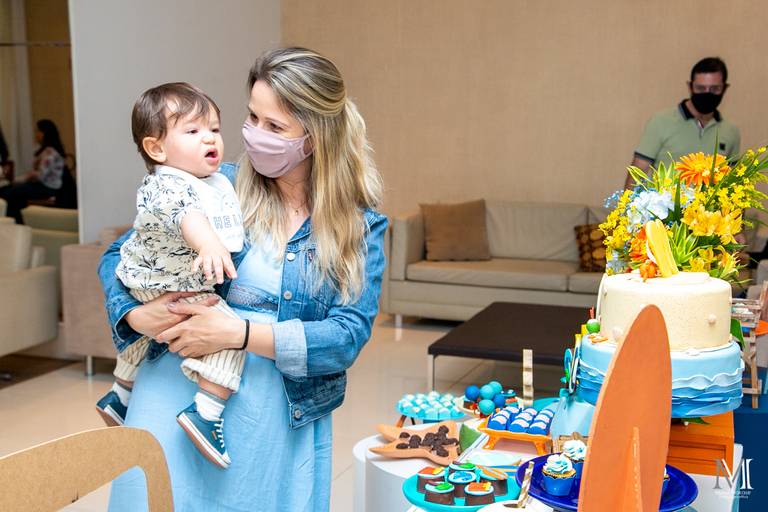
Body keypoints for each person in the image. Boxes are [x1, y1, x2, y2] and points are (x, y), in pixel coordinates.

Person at [98, 47, 386, 511]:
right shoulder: (214, 186)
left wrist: (241, 333)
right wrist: (134, 313)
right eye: (252, 117)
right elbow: (120, 253)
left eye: (275, 127)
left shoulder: (359, 225)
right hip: (174, 391)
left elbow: (346, 335)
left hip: (274, 417)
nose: (253, 135)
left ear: (316, 137)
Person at [95, 82, 247, 470]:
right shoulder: (167, 185)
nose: (209, 138)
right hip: (170, 285)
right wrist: (209, 244)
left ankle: (119, 393)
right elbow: (188, 216)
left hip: (144, 283)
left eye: (214, 129)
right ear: (157, 149)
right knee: (229, 331)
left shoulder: (214, 182)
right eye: (193, 131)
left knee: (142, 341)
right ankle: (206, 412)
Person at [625, 57, 741, 189]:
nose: (707, 94)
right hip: (665, 207)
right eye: (700, 88)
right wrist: (627, 207)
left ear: (724, 88)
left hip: (708, 209)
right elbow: (638, 172)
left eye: (714, 89)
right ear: (690, 87)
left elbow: (734, 182)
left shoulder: (731, 131)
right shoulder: (661, 121)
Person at [0, 119, 67, 222]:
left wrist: (22, 178)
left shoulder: (50, 152)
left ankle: (14, 221)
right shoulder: (46, 150)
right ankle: (16, 220)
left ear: (44, 133)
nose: (36, 134)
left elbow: (41, 175)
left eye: (38, 131)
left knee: (9, 192)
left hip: (46, 188)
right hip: (41, 186)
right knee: (9, 190)